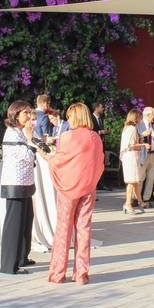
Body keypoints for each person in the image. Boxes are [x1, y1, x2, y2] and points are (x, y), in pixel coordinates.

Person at [43, 102, 105, 284]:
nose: (67, 119)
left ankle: (58, 273)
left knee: (63, 229)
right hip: (88, 187)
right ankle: (81, 274)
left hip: (68, 188)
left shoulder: (67, 136)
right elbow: (99, 163)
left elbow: (59, 160)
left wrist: (47, 157)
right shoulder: (95, 137)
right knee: (84, 229)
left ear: (74, 117)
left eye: (70, 116)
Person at [0, 100, 37, 275]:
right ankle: (9, 265)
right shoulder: (13, 133)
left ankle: (22, 257)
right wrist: (30, 139)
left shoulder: (20, 133)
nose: (29, 117)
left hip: (25, 183)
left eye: (30, 113)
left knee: (26, 220)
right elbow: (27, 156)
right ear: (15, 115)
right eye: (25, 113)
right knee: (14, 225)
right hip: (15, 183)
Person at [137, 106, 154, 206]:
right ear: (148, 115)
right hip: (142, 154)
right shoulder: (139, 125)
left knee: (151, 178)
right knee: (140, 178)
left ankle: (146, 199)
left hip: (153, 155)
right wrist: (142, 135)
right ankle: (137, 198)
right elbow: (134, 139)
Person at [119, 110, 146, 214]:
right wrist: (144, 145)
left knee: (134, 181)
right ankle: (128, 204)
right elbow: (130, 146)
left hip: (131, 157)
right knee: (131, 181)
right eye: (139, 117)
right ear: (136, 117)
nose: (141, 119)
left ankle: (140, 202)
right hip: (131, 157)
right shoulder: (132, 129)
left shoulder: (128, 128)